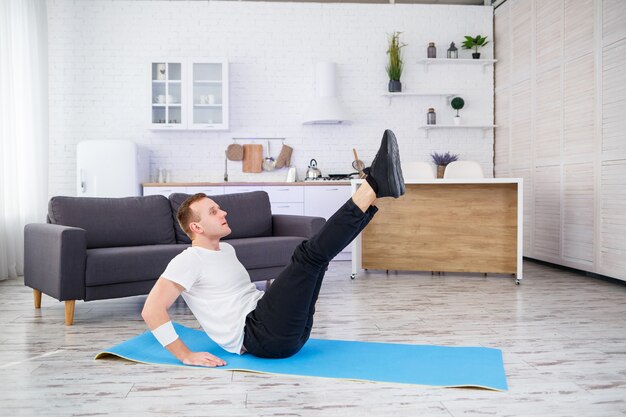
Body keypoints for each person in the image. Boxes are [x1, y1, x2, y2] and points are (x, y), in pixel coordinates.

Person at [141, 129, 405, 367]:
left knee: (317, 262)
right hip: (261, 336)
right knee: (307, 257)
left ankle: (377, 188)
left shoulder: (226, 250)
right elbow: (151, 310)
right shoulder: (189, 260)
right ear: (196, 228)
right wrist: (185, 355)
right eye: (213, 211)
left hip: (286, 332)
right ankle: (374, 185)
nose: (223, 212)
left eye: (219, 207)